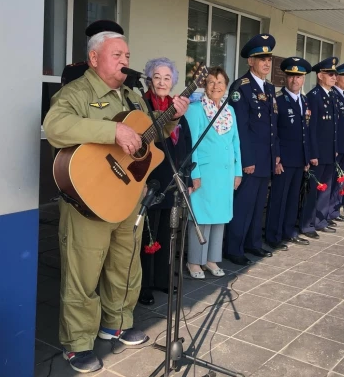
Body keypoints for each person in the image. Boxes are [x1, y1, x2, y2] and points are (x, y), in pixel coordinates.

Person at [43, 31, 189, 373]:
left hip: (127, 196)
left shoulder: (132, 96)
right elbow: (55, 126)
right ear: (94, 59)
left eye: (127, 54)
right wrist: (112, 132)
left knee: (124, 265)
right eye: (117, 54)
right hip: (89, 198)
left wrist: (172, 117)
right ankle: (77, 343)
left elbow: (148, 132)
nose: (125, 60)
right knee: (84, 272)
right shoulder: (77, 92)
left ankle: (117, 324)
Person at [138, 58, 193, 306]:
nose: (161, 82)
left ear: (174, 82)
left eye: (167, 78)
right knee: (147, 235)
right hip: (149, 181)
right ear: (150, 79)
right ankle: (144, 285)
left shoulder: (178, 108)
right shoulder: (142, 106)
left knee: (167, 233)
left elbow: (188, 146)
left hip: (172, 182)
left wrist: (188, 178)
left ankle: (162, 278)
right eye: (157, 77)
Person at [185, 67, 242, 278]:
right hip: (205, 174)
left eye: (220, 82)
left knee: (220, 218)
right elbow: (191, 145)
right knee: (201, 218)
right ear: (204, 86)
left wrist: (238, 171)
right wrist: (194, 174)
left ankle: (211, 259)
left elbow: (236, 142)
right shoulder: (195, 109)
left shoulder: (230, 111)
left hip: (226, 173)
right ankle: (194, 262)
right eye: (211, 82)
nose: (216, 86)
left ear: (226, 86)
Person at [226, 34, 278, 265]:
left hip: (266, 159)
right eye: (261, 58)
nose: (267, 63)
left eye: (269, 58)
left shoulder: (269, 88)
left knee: (258, 206)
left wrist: (275, 156)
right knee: (243, 205)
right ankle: (234, 248)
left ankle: (253, 243)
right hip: (250, 160)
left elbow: (272, 126)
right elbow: (240, 129)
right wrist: (246, 160)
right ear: (250, 61)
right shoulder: (241, 87)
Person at [265, 57, 312, 250]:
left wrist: (307, 157)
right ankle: (273, 236)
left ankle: (288, 231)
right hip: (283, 160)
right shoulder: (277, 100)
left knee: (293, 199)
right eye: (291, 77)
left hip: (299, 160)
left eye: (299, 77)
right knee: (278, 199)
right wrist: (276, 158)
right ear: (286, 78)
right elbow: (273, 131)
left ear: (303, 79)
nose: (295, 81)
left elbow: (306, 132)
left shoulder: (304, 100)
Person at [300, 57, 339, 238]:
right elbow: (311, 129)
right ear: (320, 76)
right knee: (314, 191)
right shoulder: (314, 97)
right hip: (318, 154)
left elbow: (334, 127)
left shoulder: (331, 95)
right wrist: (313, 153)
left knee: (326, 188)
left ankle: (320, 220)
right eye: (330, 74)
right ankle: (307, 224)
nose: (334, 77)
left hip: (330, 152)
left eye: (335, 74)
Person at [328, 62, 344, 225]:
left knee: (340, 180)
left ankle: (335, 209)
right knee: (331, 180)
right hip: (336, 147)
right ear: (336, 78)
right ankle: (329, 211)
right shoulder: (333, 96)